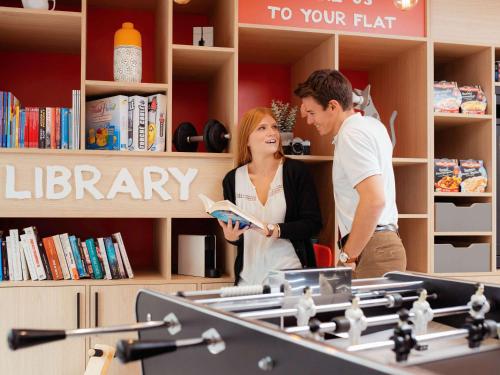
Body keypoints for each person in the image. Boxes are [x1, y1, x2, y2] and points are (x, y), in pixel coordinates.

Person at [294, 69, 406, 278]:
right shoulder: (372, 126)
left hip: (370, 248)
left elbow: (374, 200)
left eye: (312, 113)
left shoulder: (350, 135)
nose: (309, 121)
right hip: (382, 243)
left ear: (333, 106)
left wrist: (348, 257)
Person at [219, 107, 322, 285]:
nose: (272, 132)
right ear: (247, 139)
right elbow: (242, 239)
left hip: (290, 276)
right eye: (262, 128)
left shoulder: (296, 172)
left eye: (274, 127)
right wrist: (231, 237)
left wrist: (275, 230)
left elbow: (313, 224)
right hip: (248, 281)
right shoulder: (232, 180)